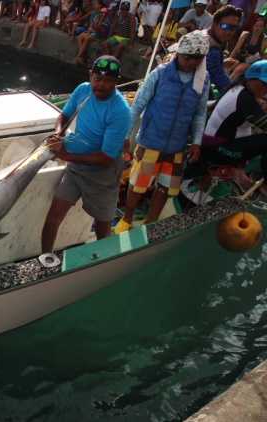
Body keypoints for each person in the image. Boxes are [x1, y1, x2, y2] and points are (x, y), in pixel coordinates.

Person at [115, 31, 211, 233]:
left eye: (198, 58)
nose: (192, 62)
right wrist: (126, 135)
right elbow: (137, 106)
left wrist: (196, 141)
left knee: (165, 187)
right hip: (150, 142)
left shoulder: (203, 79)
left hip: (176, 146)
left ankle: (151, 222)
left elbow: (200, 112)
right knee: (138, 183)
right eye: (188, 57)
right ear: (179, 53)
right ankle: (127, 217)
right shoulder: (159, 74)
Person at [41, 56, 131, 255]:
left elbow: (105, 158)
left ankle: (102, 260)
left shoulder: (120, 111)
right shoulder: (82, 90)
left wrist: (66, 155)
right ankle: (45, 258)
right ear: (90, 75)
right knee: (53, 216)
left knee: (102, 228)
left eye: (108, 81)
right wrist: (58, 133)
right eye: (97, 79)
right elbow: (64, 116)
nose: (101, 85)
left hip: (103, 175)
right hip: (75, 169)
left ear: (117, 81)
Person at [200, 59, 267, 196]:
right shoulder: (244, 98)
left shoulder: (241, 88)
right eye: (265, 84)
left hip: (222, 145)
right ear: (250, 80)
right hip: (217, 149)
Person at [206, 5, 245, 94]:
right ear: (214, 25)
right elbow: (222, 83)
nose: (229, 32)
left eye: (233, 28)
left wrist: (221, 64)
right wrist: (238, 96)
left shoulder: (204, 34)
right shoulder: (213, 50)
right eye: (225, 26)